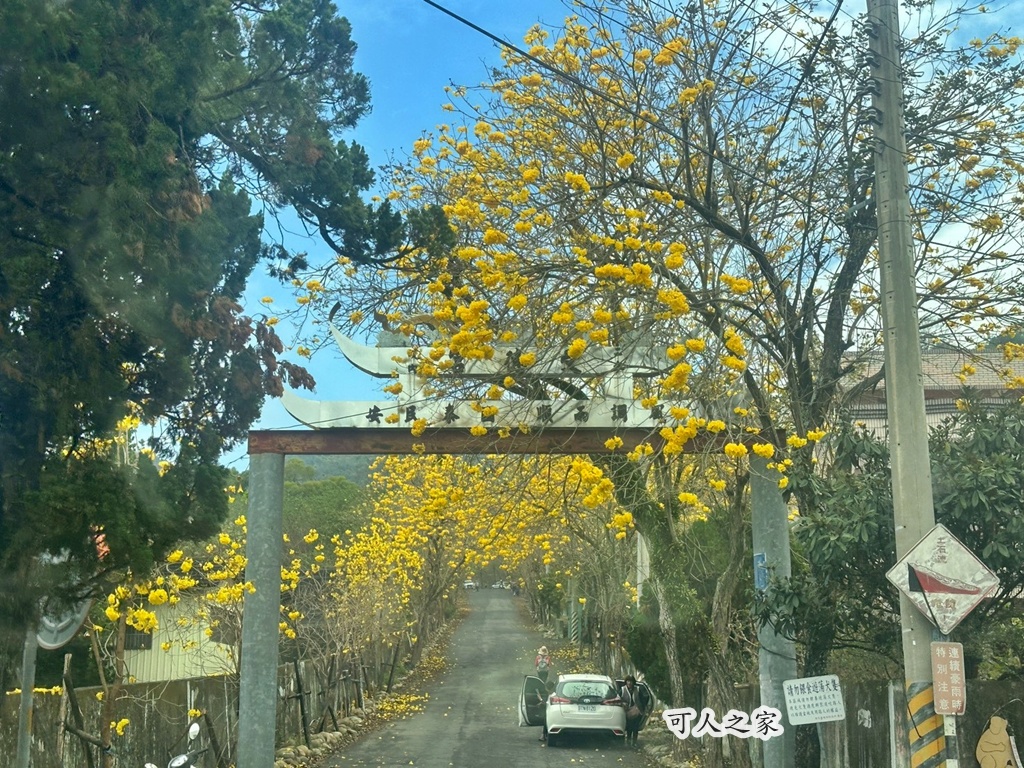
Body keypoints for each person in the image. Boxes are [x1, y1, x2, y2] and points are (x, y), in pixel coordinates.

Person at [621, 675, 648, 747]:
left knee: (635, 727)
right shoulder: (622, 689)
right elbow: (619, 699)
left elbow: (645, 698)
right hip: (626, 712)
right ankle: (629, 741)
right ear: (626, 682)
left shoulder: (638, 689)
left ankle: (634, 742)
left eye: (631, 681)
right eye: (628, 681)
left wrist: (642, 707)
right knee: (629, 727)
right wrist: (623, 703)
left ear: (633, 682)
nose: (629, 683)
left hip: (637, 711)